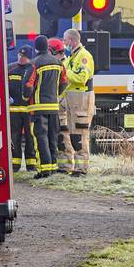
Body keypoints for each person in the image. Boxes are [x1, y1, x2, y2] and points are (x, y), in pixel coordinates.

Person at [25, 36, 66, 179]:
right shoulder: (58, 63)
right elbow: (64, 82)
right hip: (54, 107)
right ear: (48, 47)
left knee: (40, 137)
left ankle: (44, 170)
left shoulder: (34, 63)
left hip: (38, 108)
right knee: (52, 137)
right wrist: (57, 94)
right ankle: (53, 167)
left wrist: (26, 98)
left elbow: (28, 86)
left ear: (36, 48)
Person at [61, 29, 96, 177]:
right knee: (70, 133)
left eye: (65, 40)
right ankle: (71, 167)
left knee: (80, 134)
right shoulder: (72, 56)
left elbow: (81, 78)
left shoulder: (83, 56)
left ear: (72, 40)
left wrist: (65, 71)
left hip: (81, 99)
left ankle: (81, 169)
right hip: (72, 98)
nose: (64, 43)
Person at [7, 46, 37, 172]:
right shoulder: (10, 68)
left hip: (29, 110)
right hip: (14, 110)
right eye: (20, 55)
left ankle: (31, 164)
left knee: (30, 137)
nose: (21, 58)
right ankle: (15, 163)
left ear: (29, 58)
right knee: (15, 137)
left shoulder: (33, 69)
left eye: (24, 56)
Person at [48, 38, 73, 173]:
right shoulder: (62, 63)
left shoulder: (61, 65)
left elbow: (63, 84)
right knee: (59, 135)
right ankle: (62, 165)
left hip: (61, 104)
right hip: (60, 103)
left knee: (63, 135)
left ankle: (66, 166)